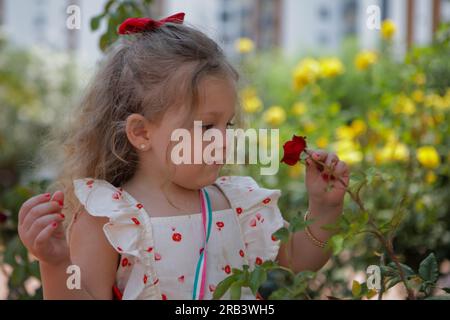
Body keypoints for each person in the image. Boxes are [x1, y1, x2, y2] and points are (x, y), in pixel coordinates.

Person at [17, 13, 349, 300]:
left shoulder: (237, 204)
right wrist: (56, 264)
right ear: (142, 133)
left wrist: (325, 208)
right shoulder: (110, 217)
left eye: (227, 124)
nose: (223, 139)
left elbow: (298, 260)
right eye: (206, 126)